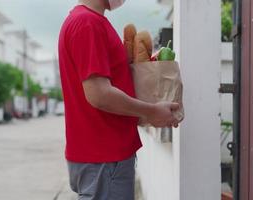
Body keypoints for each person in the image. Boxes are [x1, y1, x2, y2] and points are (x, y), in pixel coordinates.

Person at [58, 0, 181, 199]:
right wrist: (151, 111)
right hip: (104, 157)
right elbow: (99, 94)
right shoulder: (87, 23)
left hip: (104, 157)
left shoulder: (90, 21)